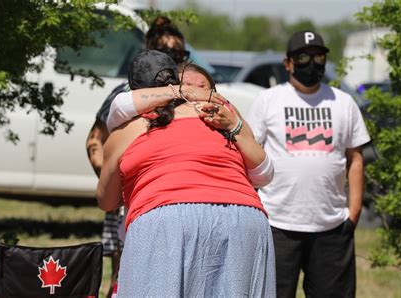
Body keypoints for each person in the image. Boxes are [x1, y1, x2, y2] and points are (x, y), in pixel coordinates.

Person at [97, 50, 276, 297]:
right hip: (244, 218)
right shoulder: (222, 117)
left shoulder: (125, 130)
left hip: (165, 220)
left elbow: (106, 200)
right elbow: (264, 174)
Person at [246, 30, 371, 298]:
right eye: (303, 57)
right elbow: (249, 155)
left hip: (332, 227)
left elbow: (356, 158)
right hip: (277, 224)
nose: (312, 63)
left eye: (319, 56)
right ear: (288, 63)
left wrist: (354, 211)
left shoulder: (344, 102)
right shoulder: (268, 101)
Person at [85, 16, 189, 298]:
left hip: (169, 201)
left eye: (181, 54)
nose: (175, 60)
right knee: (122, 279)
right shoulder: (125, 93)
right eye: (169, 54)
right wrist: (115, 183)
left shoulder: (188, 96)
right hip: (128, 201)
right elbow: (94, 141)